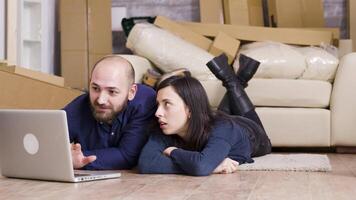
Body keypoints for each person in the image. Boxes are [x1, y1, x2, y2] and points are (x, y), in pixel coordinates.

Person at [138, 53, 272, 176]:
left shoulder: (223, 129)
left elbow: (201, 166)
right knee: (216, 117)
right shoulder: (165, 126)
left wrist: (173, 151)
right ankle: (236, 78)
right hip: (214, 119)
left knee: (226, 126)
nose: (157, 113)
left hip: (250, 132)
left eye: (167, 104)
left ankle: (233, 79)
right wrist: (213, 167)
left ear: (190, 109)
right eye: (158, 105)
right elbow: (147, 163)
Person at [64, 55, 156, 170]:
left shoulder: (144, 101)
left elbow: (127, 155)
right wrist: (64, 157)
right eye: (95, 88)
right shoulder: (78, 107)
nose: (101, 100)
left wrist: (78, 160)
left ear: (131, 92)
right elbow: (46, 142)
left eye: (112, 91)